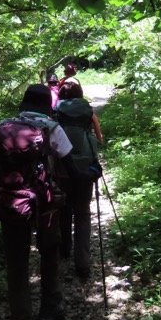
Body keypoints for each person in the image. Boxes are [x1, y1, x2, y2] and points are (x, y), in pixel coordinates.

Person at [0, 84, 95, 320]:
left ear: (23, 105)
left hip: (12, 204)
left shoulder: (5, 127)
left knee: (17, 264)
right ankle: (50, 308)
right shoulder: (52, 129)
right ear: (47, 106)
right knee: (49, 252)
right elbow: (71, 171)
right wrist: (89, 173)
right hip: (45, 204)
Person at [54, 81, 103, 280]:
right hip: (84, 171)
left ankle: (64, 250)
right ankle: (82, 265)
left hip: (61, 170)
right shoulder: (88, 113)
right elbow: (98, 139)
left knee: (63, 211)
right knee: (82, 215)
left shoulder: (55, 114)